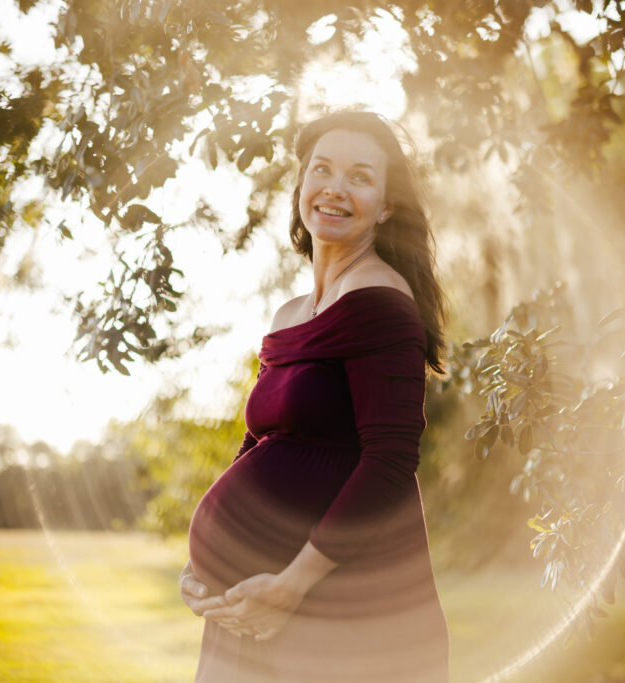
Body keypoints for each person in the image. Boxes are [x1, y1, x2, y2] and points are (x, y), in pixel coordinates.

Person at [180, 110, 450, 682]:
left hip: (327, 603)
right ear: (302, 185)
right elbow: (258, 444)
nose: (334, 188)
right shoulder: (289, 316)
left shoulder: (381, 301)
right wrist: (204, 559)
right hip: (251, 600)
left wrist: (291, 586)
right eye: (321, 169)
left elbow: (389, 463)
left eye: (359, 176)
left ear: (386, 206)